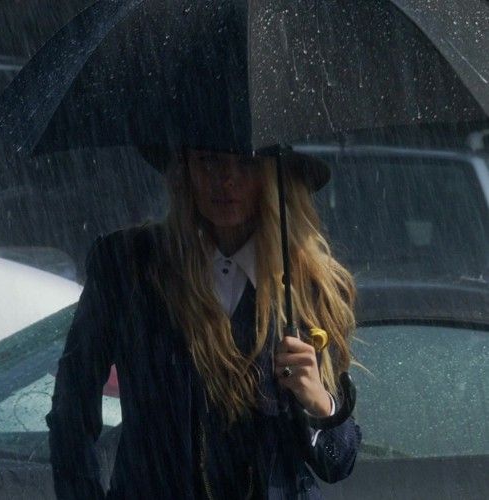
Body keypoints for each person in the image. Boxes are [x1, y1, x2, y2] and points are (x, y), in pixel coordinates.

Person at [46, 147, 361, 499]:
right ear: (185, 171)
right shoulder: (129, 265)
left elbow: (338, 463)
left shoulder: (310, 285)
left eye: (247, 161)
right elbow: (72, 405)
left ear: (275, 178)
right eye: (209, 160)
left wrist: (317, 401)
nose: (226, 179)